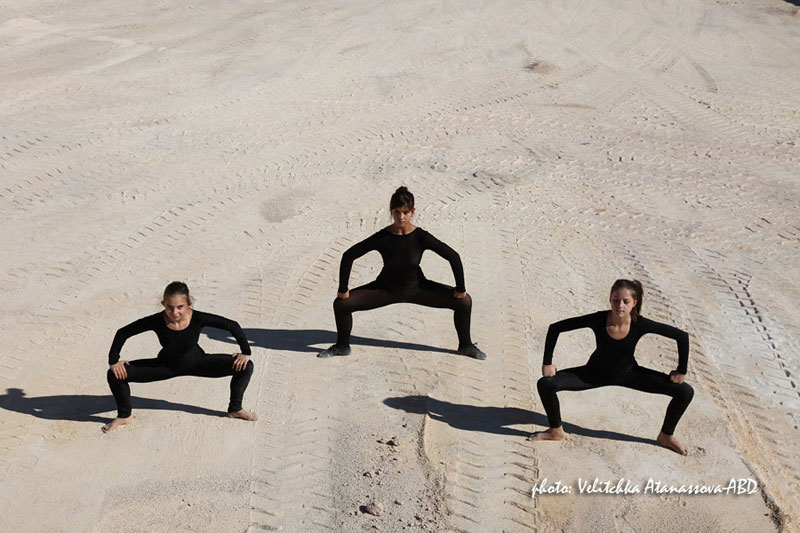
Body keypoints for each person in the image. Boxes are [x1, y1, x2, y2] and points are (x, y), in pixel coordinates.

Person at [318, 186, 487, 360]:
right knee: (341, 304)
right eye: (397, 212)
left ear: (412, 212)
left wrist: (460, 288)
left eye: (405, 212)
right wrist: (343, 288)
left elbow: (453, 257)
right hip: (385, 290)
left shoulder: (420, 237)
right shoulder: (383, 237)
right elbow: (349, 255)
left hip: (417, 289)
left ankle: (465, 346)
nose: (401, 217)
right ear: (391, 212)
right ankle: (342, 346)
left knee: (464, 302)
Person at [529, 279, 694, 454]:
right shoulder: (598, 319)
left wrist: (681, 370)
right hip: (593, 374)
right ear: (610, 299)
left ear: (634, 303)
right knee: (545, 384)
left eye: (625, 301)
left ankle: (666, 436)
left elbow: (681, 337)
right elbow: (556, 328)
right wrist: (547, 362)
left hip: (629, 374)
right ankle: (556, 431)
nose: (620, 305)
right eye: (616, 300)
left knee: (685, 391)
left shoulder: (640, 324)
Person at [103, 281, 257, 433]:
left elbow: (232, 325)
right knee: (115, 375)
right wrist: (113, 361)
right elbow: (123, 333)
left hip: (198, 363)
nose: (174, 312)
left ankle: (235, 409)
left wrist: (245, 351)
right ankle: (124, 416)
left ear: (189, 304)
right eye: (169, 307)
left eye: (180, 307)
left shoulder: (198, 318)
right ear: (163, 304)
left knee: (245, 366)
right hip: (165, 366)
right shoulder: (156, 320)